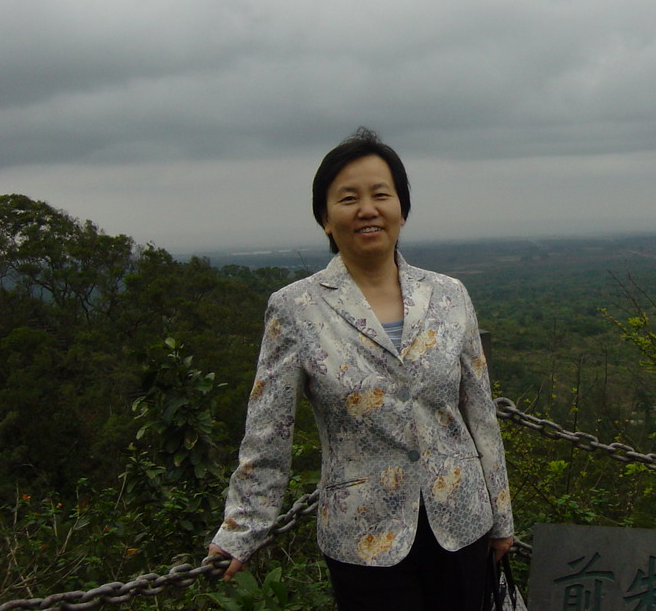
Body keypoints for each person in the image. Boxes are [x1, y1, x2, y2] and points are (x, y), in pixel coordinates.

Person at [207, 128, 514, 610]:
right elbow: (269, 430)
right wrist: (242, 530)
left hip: (462, 521)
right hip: (363, 536)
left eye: (381, 195)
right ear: (325, 218)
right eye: (348, 198)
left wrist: (501, 516)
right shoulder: (295, 308)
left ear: (402, 210)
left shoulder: (449, 295)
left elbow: (479, 413)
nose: (367, 209)